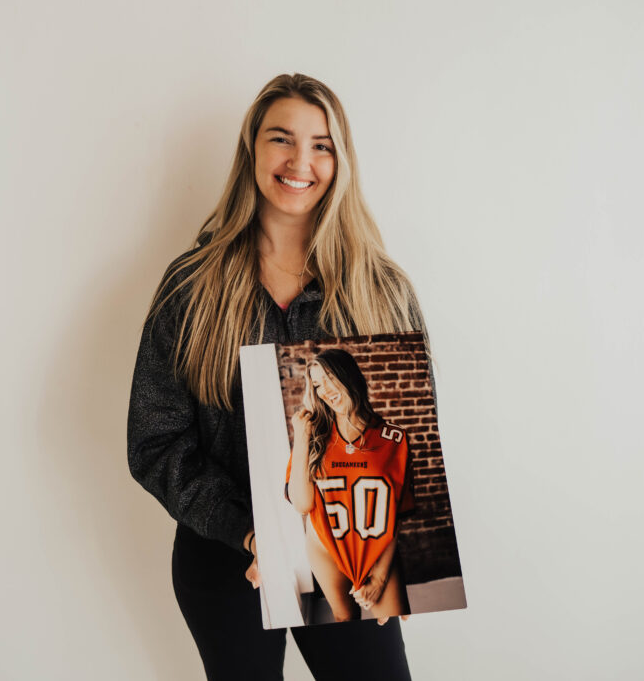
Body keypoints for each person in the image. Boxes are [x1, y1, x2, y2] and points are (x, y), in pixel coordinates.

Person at [127, 72, 428, 681]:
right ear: (252, 152)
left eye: (321, 144)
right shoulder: (192, 287)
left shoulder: (381, 290)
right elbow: (156, 442)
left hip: (348, 563)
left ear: (341, 161)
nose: (300, 160)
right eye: (281, 139)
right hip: (226, 562)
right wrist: (246, 531)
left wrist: (387, 556)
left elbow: (409, 442)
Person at [286, 349, 413, 623]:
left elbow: (396, 515)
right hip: (326, 545)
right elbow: (302, 504)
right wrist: (301, 436)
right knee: (346, 621)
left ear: (350, 376)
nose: (325, 390)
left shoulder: (394, 438)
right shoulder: (315, 437)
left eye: (330, 378)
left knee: (392, 622)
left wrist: (379, 577)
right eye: (318, 384)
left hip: (375, 544)